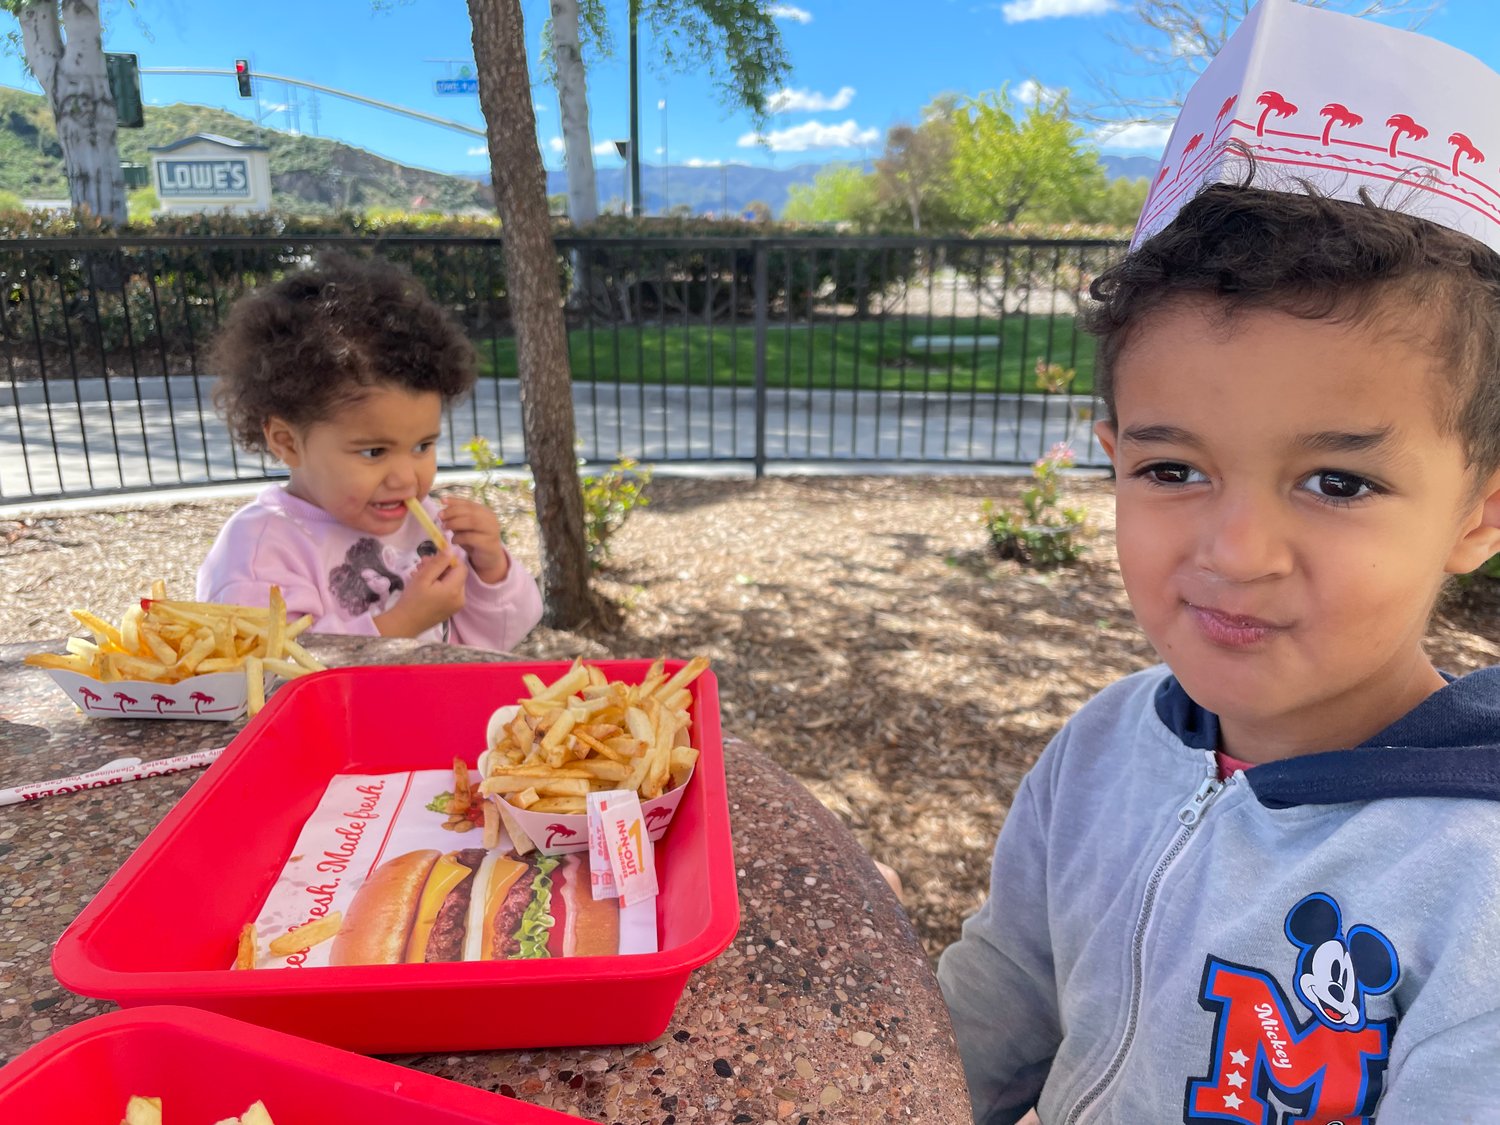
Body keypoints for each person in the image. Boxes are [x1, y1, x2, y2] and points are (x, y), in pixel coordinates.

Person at [937, 11, 1500, 1122]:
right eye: (1174, 469)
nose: (1236, 552)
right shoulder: (1100, 751)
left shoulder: (1472, 888)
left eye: (1337, 482)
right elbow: (999, 1003)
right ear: (1113, 459)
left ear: (1480, 514)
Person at [197, 252, 543, 649]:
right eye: (375, 452)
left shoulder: (426, 523)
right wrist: (401, 623)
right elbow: (266, 670)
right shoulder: (260, 552)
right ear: (287, 442)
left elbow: (494, 644)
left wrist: (491, 569)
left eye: (422, 446)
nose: (406, 478)